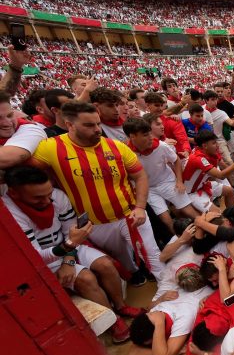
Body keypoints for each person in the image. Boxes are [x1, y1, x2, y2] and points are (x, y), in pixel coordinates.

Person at [3, 166, 143, 343]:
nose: (47, 201)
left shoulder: (56, 196)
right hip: (44, 261)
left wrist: (68, 260)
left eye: (48, 194)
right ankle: (113, 321)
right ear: (15, 194)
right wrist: (69, 246)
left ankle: (121, 306)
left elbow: (71, 232)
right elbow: (35, 256)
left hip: (67, 247)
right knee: (86, 279)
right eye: (38, 198)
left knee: (106, 264)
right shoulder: (10, 214)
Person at [31, 101, 164, 286]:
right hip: (95, 224)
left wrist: (141, 207)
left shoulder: (116, 146)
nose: (97, 130)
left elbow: (140, 175)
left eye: (98, 123)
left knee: (151, 252)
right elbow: (26, 175)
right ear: (70, 125)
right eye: (89, 125)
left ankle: (165, 286)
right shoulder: (50, 148)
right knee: (122, 256)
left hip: (129, 214)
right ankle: (135, 272)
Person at [125, 118, 198, 234]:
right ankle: (181, 241)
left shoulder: (161, 146)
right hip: (148, 189)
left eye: (149, 133)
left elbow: (176, 160)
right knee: (166, 219)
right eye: (145, 135)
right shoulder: (126, 153)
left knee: (188, 211)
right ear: (132, 136)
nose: (150, 137)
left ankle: (209, 229)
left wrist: (179, 181)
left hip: (167, 181)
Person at [128, 273, 213, 355]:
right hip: (192, 285)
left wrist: (159, 324)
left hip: (209, 285)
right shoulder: (152, 315)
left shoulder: (183, 317)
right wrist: (175, 352)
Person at [182, 129, 234, 212]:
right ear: (205, 146)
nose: (217, 145)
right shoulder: (198, 158)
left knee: (230, 191)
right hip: (193, 193)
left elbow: (223, 165)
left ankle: (230, 216)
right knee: (217, 213)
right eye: (214, 143)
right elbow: (220, 176)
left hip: (203, 185)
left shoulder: (208, 151)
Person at [144, 92, 190, 158]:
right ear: (147, 105)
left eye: (161, 105)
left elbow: (183, 139)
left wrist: (186, 150)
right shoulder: (142, 121)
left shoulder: (172, 121)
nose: (160, 109)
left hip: (175, 157)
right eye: (156, 105)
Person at [203, 90, 234, 165]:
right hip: (204, 142)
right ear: (206, 101)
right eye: (212, 99)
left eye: (216, 99)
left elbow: (232, 123)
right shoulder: (201, 110)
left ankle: (233, 176)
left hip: (219, 140)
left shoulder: (221, 113)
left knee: (229, 161)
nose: (215, 101)